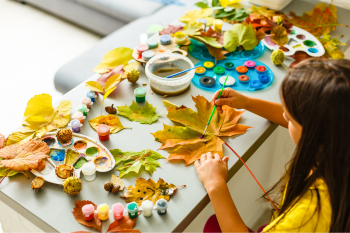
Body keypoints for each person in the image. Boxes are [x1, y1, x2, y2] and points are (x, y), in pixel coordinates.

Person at [194, 59, 350, 232]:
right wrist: (247, 103)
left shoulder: (309, 212)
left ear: (315, 132)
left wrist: (215, 185)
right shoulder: (339, 141)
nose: (284, 116)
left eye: (289, 117)